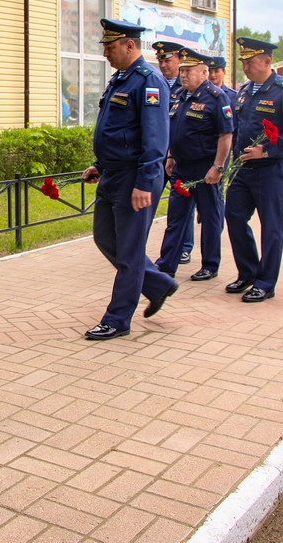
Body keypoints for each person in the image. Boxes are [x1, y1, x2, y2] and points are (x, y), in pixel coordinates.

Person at [82, 19, 174, 340]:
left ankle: (118, 319)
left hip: (135, 179)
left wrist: (145, 184)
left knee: (130, 251)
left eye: (110, 46)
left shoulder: (149, 83)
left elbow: (155, 139)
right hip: (112, 176)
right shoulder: (120, 80)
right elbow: (116, 132)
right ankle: (158, 283)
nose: (106, 52)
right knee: (105, 238)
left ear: (129, 46)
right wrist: (99, 164)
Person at [223, 37, 283, 302]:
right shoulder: (245, 91)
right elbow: (238, 127)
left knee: (271, 226)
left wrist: (268, 150)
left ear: (267, 62)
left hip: (272, 170)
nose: (246, 67)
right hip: (244, 168)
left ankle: (265, 282)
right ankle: (248, 272)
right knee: (234, 216)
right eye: (244, 62)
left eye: (250, 62)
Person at [155, 48, 233, 282]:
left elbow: (226, 135)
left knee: (210, 217)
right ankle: (166, 264)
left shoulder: (217, 97)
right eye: (183, 71)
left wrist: (218, 167)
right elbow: (175, 131)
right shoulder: (180, 95)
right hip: (181, 167)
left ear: (204, 72)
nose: (184, 75)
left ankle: (210, 264)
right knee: (176, 217)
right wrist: (170, 157)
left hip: (205, 168)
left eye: (189, 71)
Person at [152, 41, 194, 265]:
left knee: (181, 201)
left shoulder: (186, 84)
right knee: (148, 198)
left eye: (168, 59)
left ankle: (184, 247)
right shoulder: (154, 82)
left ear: (179, 59)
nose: (163, 64)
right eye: (160, 60)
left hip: (177, 154)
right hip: (156, 153)